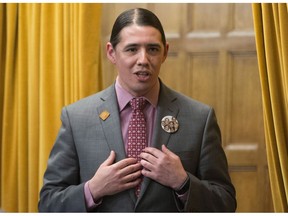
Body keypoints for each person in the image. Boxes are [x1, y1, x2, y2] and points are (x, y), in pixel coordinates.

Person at [38, 8, 236, 212]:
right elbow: (48, 203)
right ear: (111, 53)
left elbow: (225, 203)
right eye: (132, 49)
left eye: (152, 49)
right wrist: (93, 189)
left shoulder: (199, 118)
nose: (143, 59)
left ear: (165, 52)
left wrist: (183, 182)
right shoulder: (76, 118)